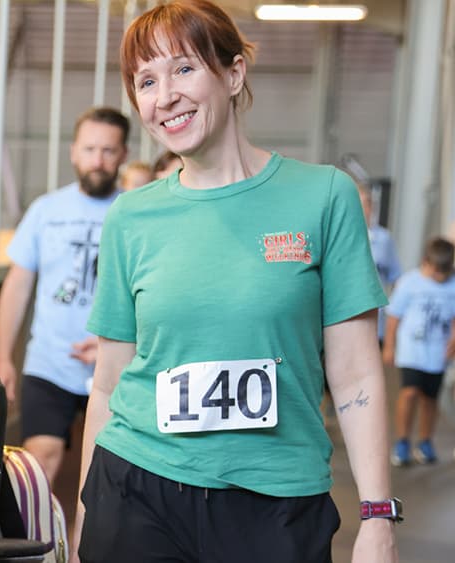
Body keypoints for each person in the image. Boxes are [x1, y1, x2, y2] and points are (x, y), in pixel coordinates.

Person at [73, 2, 398, 562]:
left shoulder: (324, 196)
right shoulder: (131, 217)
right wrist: (85, 520)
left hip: (276, 500)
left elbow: (354, 373)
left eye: (183, 69)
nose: (164, 95)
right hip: (137, 485)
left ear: (233, 73)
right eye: (145, 81)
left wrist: (377, 516)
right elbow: (108, 382)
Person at [0, 106, 129, 487]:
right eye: (89, 149)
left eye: (108, 150)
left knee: (105, 475)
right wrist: (3, 358)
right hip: (50, 362)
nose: (97, 161)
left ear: (124, 155)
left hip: (115, 363)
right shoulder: (46, 211)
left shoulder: (134, 212)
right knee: (39, 463)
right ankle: (37, 547)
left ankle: (86, 549)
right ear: (73, 152)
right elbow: (17, 285)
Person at [382, 237, 455, 466]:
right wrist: (389, 345)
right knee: (410, 393)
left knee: (430, 399)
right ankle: (402, 440)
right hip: (411, 351)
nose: (440, 276)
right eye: (436, 270)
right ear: (426, 262)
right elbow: (394, 316)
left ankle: (425, 441)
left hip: (437, 352)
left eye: (445, 271)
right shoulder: (410, 283)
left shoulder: (452, 285)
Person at [359, 183, 403, 342]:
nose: (365, 210)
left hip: (376, 322)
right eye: (360, 205)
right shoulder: (337, 238)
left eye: (367, 205)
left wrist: (393, 311)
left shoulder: (384, 239)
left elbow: (396, 277)